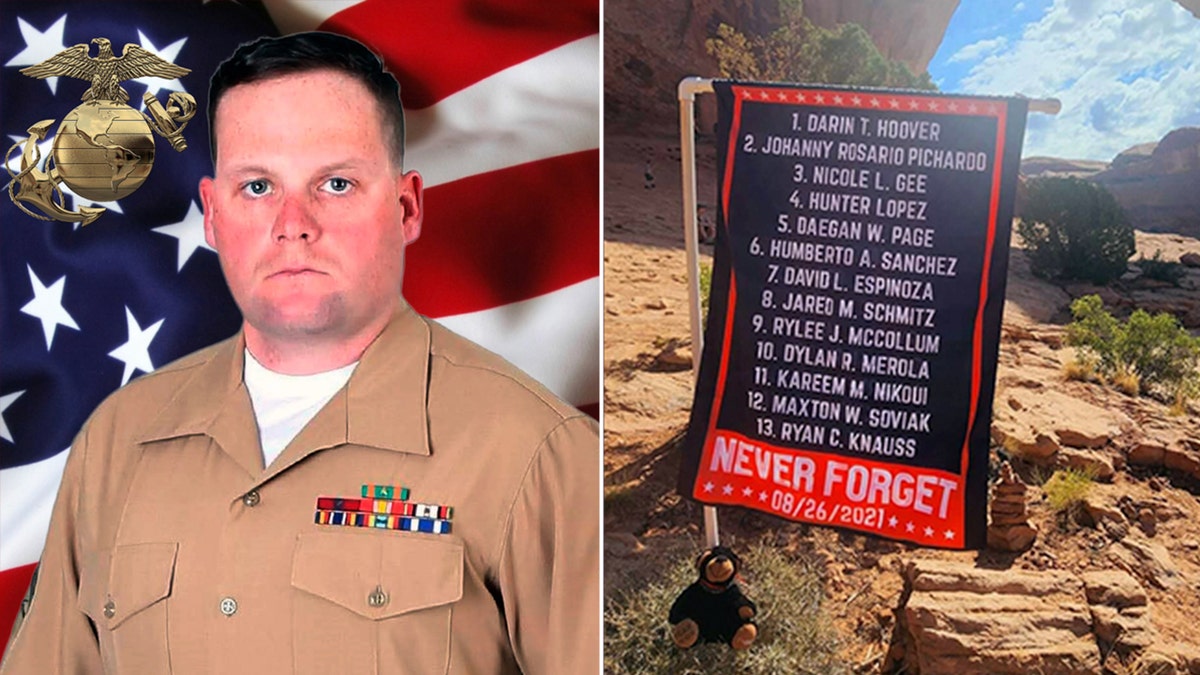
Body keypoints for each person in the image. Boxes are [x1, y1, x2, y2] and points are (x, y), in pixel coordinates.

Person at [0, 32, 599, 674]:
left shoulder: (536, 453)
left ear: (405, 207)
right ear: (212, 213)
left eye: (335, 183)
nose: (293, 221)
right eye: (257, 187)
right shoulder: (119, 441)